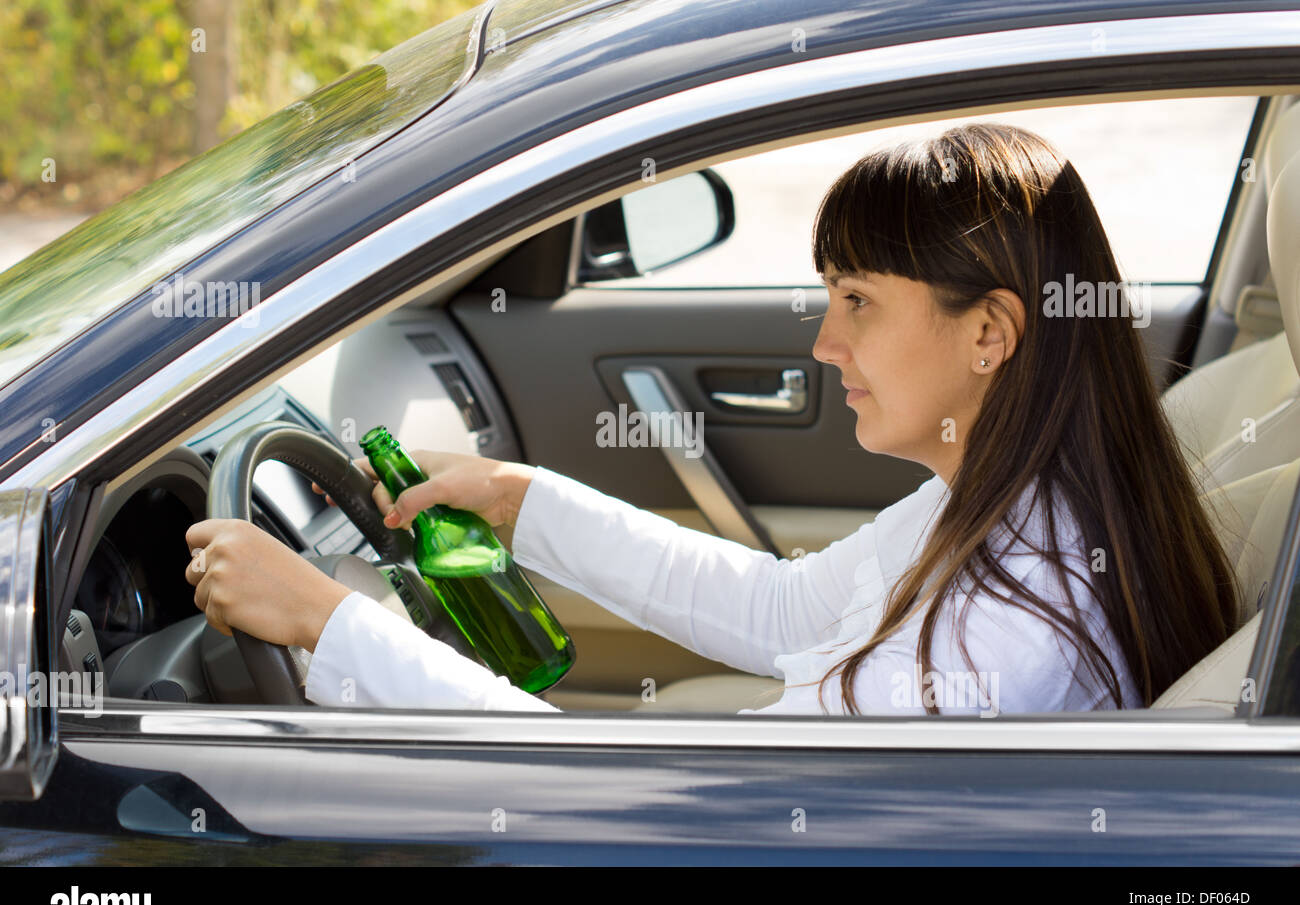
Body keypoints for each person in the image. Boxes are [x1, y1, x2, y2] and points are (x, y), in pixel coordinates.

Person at [185, 122, 1241, 716]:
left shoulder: (986, 645)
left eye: (857, 300)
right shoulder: (1012, 511)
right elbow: (785, 611)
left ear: (989, 333)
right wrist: (518, 498)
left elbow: (647, 819)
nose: (825, 345)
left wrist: (330, 625)